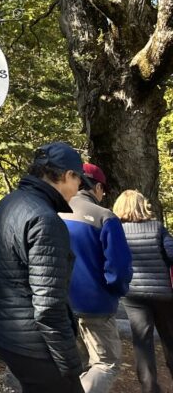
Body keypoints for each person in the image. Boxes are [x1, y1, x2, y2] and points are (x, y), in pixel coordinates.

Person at [0, 141, 86, 393]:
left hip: (3, 331)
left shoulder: (5, 204)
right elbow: (48, 306)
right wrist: (70, 364)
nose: (78, 190)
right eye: (79, 181)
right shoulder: (45, 219)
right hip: (34, 344)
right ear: (66, 175)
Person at [59, 163, 133, 393]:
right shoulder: (105, 218)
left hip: (60, 303)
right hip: (96, 305)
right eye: (104, 190)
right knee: (105, 364)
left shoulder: (53, 211)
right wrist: (115, 291)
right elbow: (119, 269)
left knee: (73, 365)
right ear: (97, 187)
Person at [114, 189, 173, 393]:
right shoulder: (157, 228)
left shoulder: (117, 231)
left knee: (142, 340)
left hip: (134, 294)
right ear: (143, 205)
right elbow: (171, 255)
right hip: (163, 293)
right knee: (169, 337)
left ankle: (149, 387)